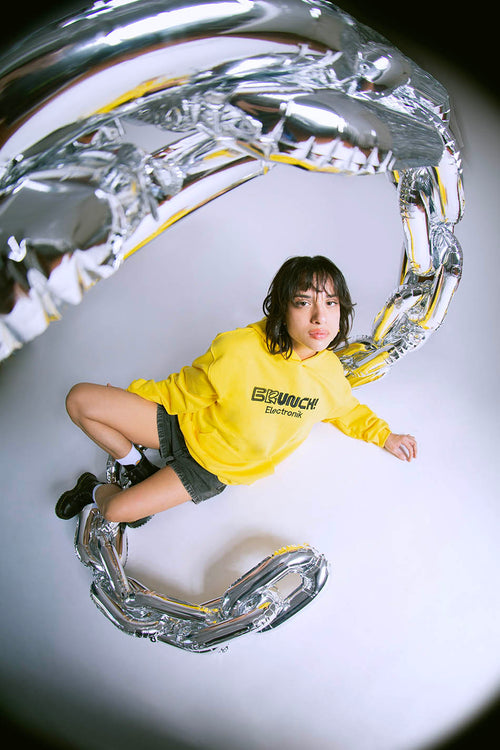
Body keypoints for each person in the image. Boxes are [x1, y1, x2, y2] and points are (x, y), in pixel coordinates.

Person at [55, 255, 417, 526]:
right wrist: (133, 395)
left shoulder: (330, 378)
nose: (319, 317)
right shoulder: (240, 348)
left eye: (330, 303)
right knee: (79, 399)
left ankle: (92, 488)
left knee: (116, 511)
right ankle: (135, 465)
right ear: (283, 309)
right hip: (184, 426)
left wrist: (385, 435)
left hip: (209, 470)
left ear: (341, 311)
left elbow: (348, 411)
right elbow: (185, 389)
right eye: (303, 302)